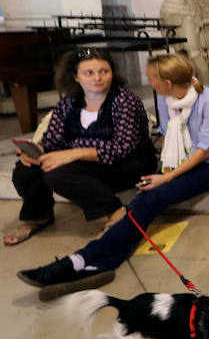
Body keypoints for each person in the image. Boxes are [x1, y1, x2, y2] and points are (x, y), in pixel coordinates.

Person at [17, 54, 209, 298]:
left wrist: (166, 178)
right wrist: (163, 169)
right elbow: (166, 135)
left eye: (152, 78)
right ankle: (100, 264)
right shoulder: (166, 99)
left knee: (151, 198)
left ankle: (80, 260)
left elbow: (204, 151)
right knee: (143, 202)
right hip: (178, 161)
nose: (149, 82)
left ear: (168, 82)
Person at [6, 48, 157, 246]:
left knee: (57, 173)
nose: (97, 78)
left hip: (129, 163)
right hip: (86, 164)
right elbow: (53, 140)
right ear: (76, 77)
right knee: (24, 170)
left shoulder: (125, 101)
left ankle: (115, 212)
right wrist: (37, 152)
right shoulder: (68, 104)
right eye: (89, 73)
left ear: (113, 73)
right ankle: (39, 215)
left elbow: (122, 148)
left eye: (104, 71)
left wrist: (73, 154)